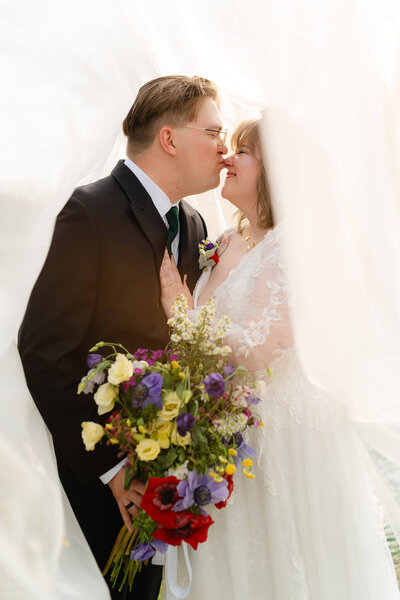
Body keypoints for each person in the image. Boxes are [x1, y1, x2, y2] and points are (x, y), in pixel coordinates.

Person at [159, 119, 400, 599]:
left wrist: (179, 313)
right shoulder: (226, 240)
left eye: (242, 152)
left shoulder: (302, 246)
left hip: (286, 443)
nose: (227, 158)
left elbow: (254, 350)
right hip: (230, 441)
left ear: (278, 171)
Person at [18, 75, 227, 600]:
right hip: (97, 485)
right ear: (170, 139)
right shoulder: (87, 213)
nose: (223, 148)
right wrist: (112, 471)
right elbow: (46, 352)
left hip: (169, 475)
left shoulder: (196, 225)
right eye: (213, 131)